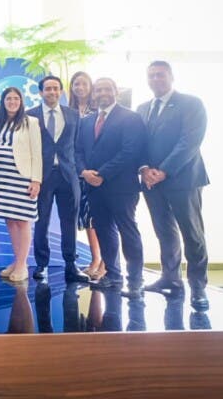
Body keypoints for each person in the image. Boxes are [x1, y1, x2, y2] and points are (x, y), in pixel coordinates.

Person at [137, 61, 210, 310]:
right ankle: (171, 279)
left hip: (184, 180)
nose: (155, 79)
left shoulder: (191, 103)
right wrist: (144, 169)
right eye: (151, 76)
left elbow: (190, 141)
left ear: (171, 76)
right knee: (165, 232)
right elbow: (138, 142)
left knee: (192, 234)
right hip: (151, 182)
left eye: (160, 75)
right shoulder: (143, 108)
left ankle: (198, 287)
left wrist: (164, 171)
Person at [75, 78, 147, 299]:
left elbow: (130, 152)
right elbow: (78, 151)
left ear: (116, 91)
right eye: (98, 90)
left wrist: (102, 174)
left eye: (107, 89)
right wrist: (84, 172)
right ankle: (113, 276)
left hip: (122, 187)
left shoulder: (131, 118)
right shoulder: (87, 121)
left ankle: (135, 281)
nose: (102, 93)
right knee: (104, 230)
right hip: (94, 188)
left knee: (128, 231)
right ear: (93, 94)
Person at [28, 75, 89, 283]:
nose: (52, 92)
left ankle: (71, 264)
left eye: (56, 88)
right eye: (48, 89)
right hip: (42, 176)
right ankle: (41, 264)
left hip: (68, 176)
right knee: (41, 221)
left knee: (69, 222)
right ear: (40, 92)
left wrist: (80, 170)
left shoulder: (73, 114)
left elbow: (79, 147)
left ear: (61, 91)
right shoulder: (30, 116)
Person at [0, 86, 42, 283]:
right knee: (10, 220)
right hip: (2, 179)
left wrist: (36, 180)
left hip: (21, 178)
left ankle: (22, 265)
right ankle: (17, 260)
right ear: (3, 102)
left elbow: (36, 152)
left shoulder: (30, 122)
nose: (12, 102)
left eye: (16, 99)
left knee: (22, 220)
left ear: (21, 102)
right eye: (8, 99)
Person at [70, 71, 104, 279]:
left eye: (84, 84)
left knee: (99, 218)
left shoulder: (99, 110)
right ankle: (95, 259)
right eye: (76, 84)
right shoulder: (69, 111)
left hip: (96, 171)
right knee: (86, 218)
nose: (80, 87)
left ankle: (103, 263)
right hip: (76, 171)